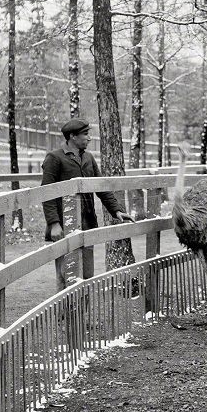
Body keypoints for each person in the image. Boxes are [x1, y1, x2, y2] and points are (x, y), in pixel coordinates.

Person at [42, 118, 135, 289]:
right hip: (64, 227)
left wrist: (116, 211)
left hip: (87, 225)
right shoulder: (54, 158)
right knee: (65, 275)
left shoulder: (88, 158)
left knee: (86, 276)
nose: (89, 138)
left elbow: (100, 187)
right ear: (72, 136)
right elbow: (46, 193)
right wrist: (54, 223)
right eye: (85, 134)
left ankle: (80, 315)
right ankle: (65, 315)